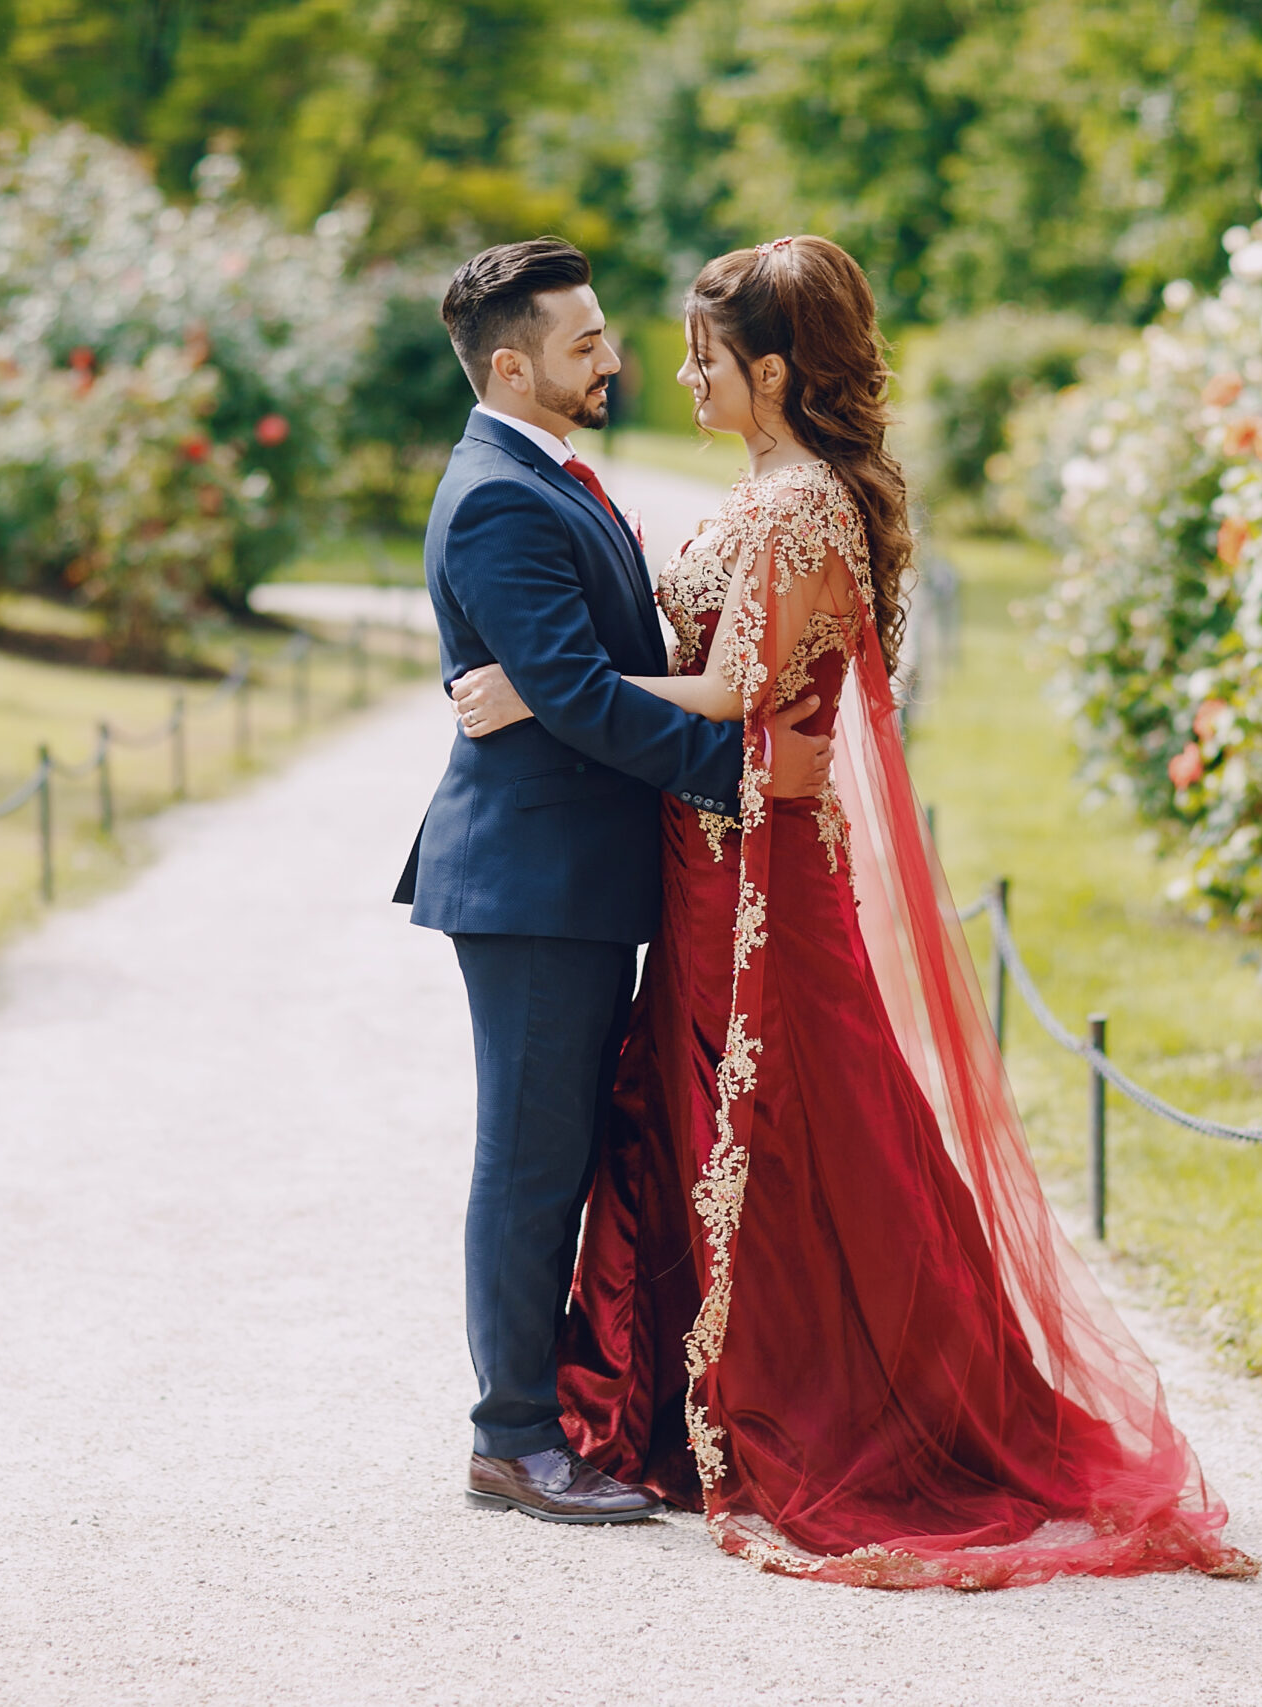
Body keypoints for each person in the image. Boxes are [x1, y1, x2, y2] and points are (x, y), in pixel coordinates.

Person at [445, 235, 1258, 1587]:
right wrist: (570, 688)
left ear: (770, 371)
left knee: (796, 1119)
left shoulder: (797, 504)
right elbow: (696, 678)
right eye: (613, 344)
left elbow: (730, 693)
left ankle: (812, 1403)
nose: (665, 370)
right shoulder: (738, 490)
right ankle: (589, 1416)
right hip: (700, 856)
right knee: (691, 1122)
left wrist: (543, 686)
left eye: (702, 354)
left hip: (752, 864)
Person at [394, 238, 837, 1524]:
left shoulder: (546, 472)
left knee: (567, 1148)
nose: (613, 358)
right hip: (534, 883)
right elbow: (583, 699)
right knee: (531, 1160)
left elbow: (573, 677)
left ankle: (558, 1415)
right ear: (512, 366)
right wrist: (748, 774)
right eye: (584, 343)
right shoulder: (498, 496)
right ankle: (511, 1438)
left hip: (577, 877)